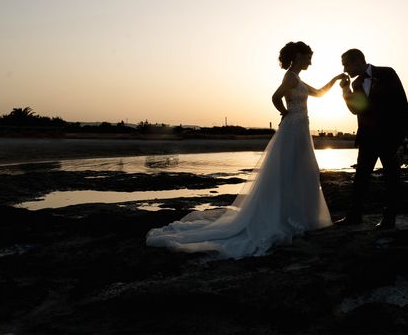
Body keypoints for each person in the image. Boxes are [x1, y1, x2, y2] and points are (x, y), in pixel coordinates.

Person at [146, 41, 346, 259]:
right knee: (289, 172)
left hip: (300, 130)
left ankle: (299, 217)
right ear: (299, 56)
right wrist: (285, 113)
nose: (310, 61)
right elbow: (275, 97)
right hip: (293, 129)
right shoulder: (290, 77)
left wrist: (335, 80)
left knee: (303, 171)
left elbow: (318, 93)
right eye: (308, 56)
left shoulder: (297, 78)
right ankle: (287, 218)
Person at [336, 48, 408, 229]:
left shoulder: (387, 73)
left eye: (346, 65)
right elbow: (356, 109)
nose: (345, 70)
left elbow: (402, 102)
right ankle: (354, 215)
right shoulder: (355, 84)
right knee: (361, 177)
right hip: (367, 138)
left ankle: (389, 218)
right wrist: (345, 89)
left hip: (391, 137)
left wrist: (407, 135)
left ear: (357, 61)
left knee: (391, 178)